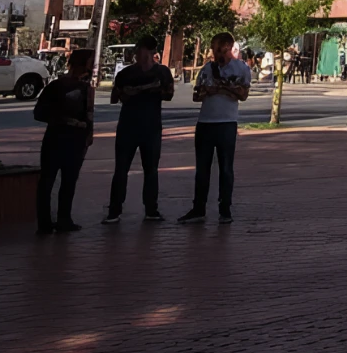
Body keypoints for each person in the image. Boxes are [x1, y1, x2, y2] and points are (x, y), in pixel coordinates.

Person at [180, 32, 250, 224]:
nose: (215, 52)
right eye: (213, 48)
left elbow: (242, 94)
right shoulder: (207, 69)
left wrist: (220, 88)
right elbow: (197, 95)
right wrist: (215, 89)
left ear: (228, 47)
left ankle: (225, 209)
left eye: (218, 48)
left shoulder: (241, 68)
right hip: (205, 123)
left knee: (226, 168)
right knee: (202, 168)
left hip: (226, 123)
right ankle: (198, 208)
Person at [105, 35, 174, 223]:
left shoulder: (162, 72)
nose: (140, 55)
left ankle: (151, 209)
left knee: (151, 169)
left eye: (144, 51)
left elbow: (169, 94)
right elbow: (114, 97)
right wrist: (126, 92)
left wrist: (155, 90)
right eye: (139, 51)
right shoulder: (126, 74)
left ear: (152, 53)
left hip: (151, 128)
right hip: (128, 127)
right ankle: (114, 210)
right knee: (121, 169)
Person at [35, 49, 95, 234]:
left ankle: (64, 219)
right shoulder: (56, 86)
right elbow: (39, 113)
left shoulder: (86, 88)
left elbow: (89, 115)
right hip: (56, 138)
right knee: (48, 180)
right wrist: (64, 120)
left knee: (69, 181)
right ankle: (44, 223)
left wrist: (88, 135)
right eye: (90, 62)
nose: (92, 66)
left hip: (76, 140)